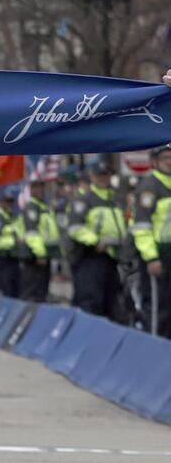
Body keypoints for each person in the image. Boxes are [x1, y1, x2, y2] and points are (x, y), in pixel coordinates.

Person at [68, 156, 126, 317]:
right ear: (92, 176)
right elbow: (75, 228)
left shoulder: (115, 200)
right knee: (90, 301)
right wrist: (95, 241)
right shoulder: (84, 199)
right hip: (91, 257)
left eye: (105, 175)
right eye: (99, 175)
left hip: (112, 258)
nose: (102, 178)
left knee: (111, 302)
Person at [130, 143, 171, 336]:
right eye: (165, 158)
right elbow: (141, 227)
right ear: (154, 162)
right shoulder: (149, 186)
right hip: (158, 253)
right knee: (157, 307)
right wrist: (151, 257)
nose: (169, 162)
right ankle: (153, 351)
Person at [20, 179, 60, 303]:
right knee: (33, 292)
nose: (38, 190)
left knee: (42, 291)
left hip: (45, 255)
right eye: (35, 187)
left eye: (40, 187)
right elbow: (32, 233)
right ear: (31, 190)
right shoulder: (32, 207)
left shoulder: (44, 207)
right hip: (35, 257)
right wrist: (40, 253)